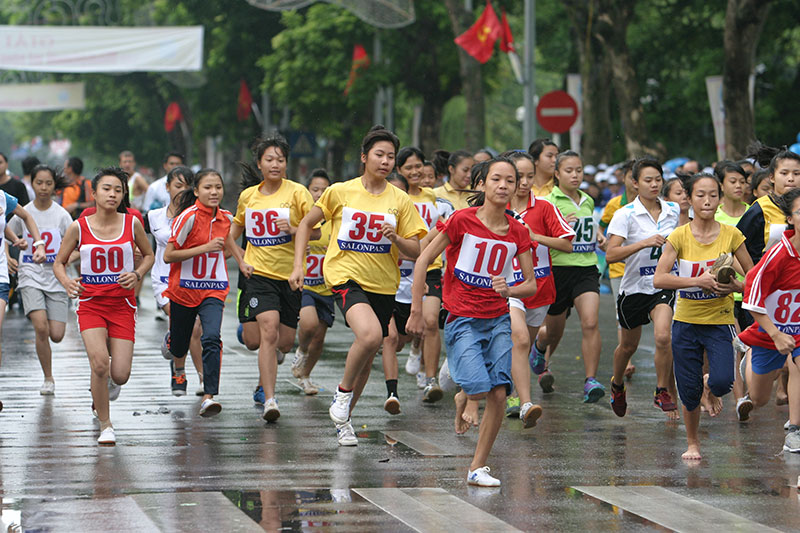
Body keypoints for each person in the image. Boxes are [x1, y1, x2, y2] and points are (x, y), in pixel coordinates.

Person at [289, 125, 427, 446]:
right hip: (344, 276)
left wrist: (396, 238)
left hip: (383, 284)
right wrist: (298, 265)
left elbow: (416, 250)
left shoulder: (401, 200)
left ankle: (344, 420)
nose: (386, 162)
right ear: (364, 157)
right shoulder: (340, 191)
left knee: (367, 354)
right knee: (371, 335)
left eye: (391, 157)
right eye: (379, 155)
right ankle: (341, 396)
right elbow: (306, 225)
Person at [407, 156, 536, 487]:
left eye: (512, 180)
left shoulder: (518, 231)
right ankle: (465, 396)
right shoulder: (461, 220)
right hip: (463, 317)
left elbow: (531, 284)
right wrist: (417, 310)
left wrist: (510, 287)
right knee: (478, 386)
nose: (504, 185)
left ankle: (478, 467)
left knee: (497, 392)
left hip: (498, 319)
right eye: (497, 179)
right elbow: (422, 260)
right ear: (483, 184)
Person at [653, 173, 752, 460]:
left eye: (712, 195)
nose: (706, 201)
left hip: (720, 322)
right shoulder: (679, 236)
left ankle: (711, 388)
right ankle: (693, 443)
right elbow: (660, 279)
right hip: (685, 323)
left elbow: (754, 279)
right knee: (688, 389)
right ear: (689, 199)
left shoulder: (732, 235)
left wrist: (735, 286)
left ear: (720, 198)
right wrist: (698, 282)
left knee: (722, 381)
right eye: (700, 195)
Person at [53, 167, 155, 445]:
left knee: (119, 374)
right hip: (91, 304)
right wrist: (67, 283)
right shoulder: (79, 227)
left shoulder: (131, 223)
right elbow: (59, 262)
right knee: (99, 364)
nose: (112, 194)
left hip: (122, 306)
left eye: (118, 190)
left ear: (124, 195)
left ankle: (106, 385)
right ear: (94, 193)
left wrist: (136, 274)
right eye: (107, 189)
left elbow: (149, 255)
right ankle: (106, 424)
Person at [231, 135, 314, 422]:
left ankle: (266, 365)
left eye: (280, 159)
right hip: (259, 275)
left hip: (290, 276)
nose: (275, 164)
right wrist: (241, 260)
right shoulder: (248, 196)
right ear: (259, 164)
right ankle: (270, 399)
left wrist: (293, 229)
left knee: (285, 342)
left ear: (287, 164)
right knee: (267, 331)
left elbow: (315, 232)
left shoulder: (298, 193)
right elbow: (231, 234)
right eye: (269, 159)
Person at [163, 169, 250, 418]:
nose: (214, 192)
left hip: (213, 289)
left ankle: (209, 396)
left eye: (218, 188)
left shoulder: (225, 217)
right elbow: (169, 255)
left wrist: (242, 264)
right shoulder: (187, 217)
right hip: (184, 291)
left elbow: (228, 241)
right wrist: (204, 248)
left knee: (211, 337)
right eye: (208, 188)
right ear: (196, 191)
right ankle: (172, 342)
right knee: (179, 346)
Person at [605, 158, 681, 419]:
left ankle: (661, 391)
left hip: (662, 285)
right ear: (635, 183)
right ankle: (617, 384)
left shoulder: (673, 210)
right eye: (648, 180)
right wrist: (644, 243)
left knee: (663, 336)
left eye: (658, 179)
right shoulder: (625, 214)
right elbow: (611, 255)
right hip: (634, 288)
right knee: (627, 347)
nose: (654, 184)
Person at [504, 150, 573, 425]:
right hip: (509, 287)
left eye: (529, 176)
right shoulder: (498, 206)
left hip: (540, 287)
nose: (523, 182)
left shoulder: (544, 207)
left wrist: (535, 237)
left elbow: (567, 244)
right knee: (518, 339)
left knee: (523, 343)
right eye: (518, 176)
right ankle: (521, 401)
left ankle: (508, 386)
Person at [538, 150, 606, 402]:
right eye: (569, 171)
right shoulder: (548, 202)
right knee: (553, 332)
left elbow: (587, 223)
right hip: (558, 269)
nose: (575, 175)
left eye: (578, 170)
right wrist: (556, 226)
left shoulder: (587, 200)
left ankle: (591, 380)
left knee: (590, 322)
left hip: (586, 268)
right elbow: (537, 233)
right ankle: (540, 349)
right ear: (556, 174)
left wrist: (598, 234)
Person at [737, 188, 800, 453]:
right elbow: (752, 298)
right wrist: (774, 334)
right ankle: (750, 357)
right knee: (760, 398)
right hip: (768, 332)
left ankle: (795, 430)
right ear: (790, 219)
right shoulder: (779, 255)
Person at [7, 166, 71, 396]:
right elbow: (6, 232)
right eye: (39, 183)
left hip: (56, 279)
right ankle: (48, 378)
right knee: (41, 328)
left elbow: (75, 246)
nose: (43, 188)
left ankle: (49, 371)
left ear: (55, 186)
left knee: (57, 334)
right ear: (31, 184)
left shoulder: (62, 215)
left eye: (48, 183)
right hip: (29, 274)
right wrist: (7, 257)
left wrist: (63, 260)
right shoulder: (23, 212)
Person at [147, 166, 204, 396]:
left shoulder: (199, 217)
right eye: (178, 186)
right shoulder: (153, 217)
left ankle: (202, 379)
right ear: (167, 187)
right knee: (190, 326)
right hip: (164, 280)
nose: (183, 191)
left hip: (192, 280)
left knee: (195, 331)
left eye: (188, 186)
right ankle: (180, 371)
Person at [397, 146, 445, 403]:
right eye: (409, 168)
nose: (415, 172)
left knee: (430, 322)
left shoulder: (433, 197)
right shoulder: (394, 197)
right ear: (399, 171)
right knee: (399, 336)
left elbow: (442, 227)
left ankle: (431, 379)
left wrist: (423, 250)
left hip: (431, 268)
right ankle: (412, 346)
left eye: (418, 167)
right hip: (398, 272)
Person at [290, 168, 334, 395]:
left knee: (320, 336)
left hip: (327, 287)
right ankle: (301, 350)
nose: (319, 194)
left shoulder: (335, 218)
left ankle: (306, 376)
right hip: (305, 285)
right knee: (308, 324)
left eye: (324, 191)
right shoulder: (302, 219)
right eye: (315, 189)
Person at [599, 160, 637, 379]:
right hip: (619, 268)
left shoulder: (660, 205)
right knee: (621, 312)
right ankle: (627, 358)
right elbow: (601, 226)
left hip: (646, 269)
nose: (634, 181)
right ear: (624, 178)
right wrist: (602, 239)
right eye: (630, 176)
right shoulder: (614, 204)